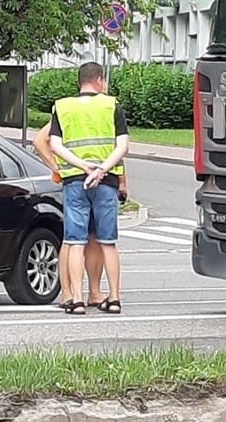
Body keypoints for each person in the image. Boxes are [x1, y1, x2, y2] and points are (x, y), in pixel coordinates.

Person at [48, 62, 129, 315]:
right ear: (99, 81)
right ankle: (114, 298)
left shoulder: (62, 107)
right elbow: (123, 146)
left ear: (80, 82)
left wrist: (82, 165)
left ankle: (77, 300)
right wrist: (102, 169)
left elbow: (54, 145)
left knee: (75, 241)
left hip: (74, 179)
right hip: (106, 181)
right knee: (108, 242)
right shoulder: (111, 105)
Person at [32, 123, 128, 308]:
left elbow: (114, 150)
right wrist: (59, 170)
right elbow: (40, 141)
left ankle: (93, 293)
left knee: (91, 238)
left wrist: (122, 180)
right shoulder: (72, 108)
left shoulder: (101, 108)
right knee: (75, 240)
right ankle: (69, 293)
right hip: (81, 179)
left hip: (96, 180)